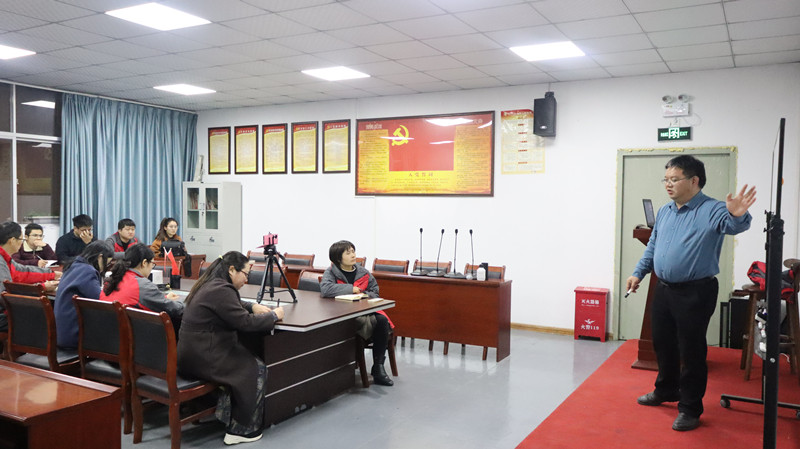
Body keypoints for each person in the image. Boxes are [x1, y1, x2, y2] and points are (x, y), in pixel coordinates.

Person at [626, 155, 756, 432]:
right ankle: (666, 389)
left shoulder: (713, 209)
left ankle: (690, 408)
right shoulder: (665, 211)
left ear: (694, 181)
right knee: (663, 343)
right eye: (666, 180)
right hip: (663, 288)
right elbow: (653, 247)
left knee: (691, 350)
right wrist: (638, 273)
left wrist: (738, 214)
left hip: (695, 291)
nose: (668, 184)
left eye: (674, 179)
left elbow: (735, 225)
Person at [177, 251, 284, 446]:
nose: (246, 279)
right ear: (232, 270)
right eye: (245, 274)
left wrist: (251, 306)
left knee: (244, 357)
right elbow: (245, 323)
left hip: (190, 354)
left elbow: (229, 304)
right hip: (205, 357)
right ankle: (241, 429)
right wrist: (274, 316)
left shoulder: (210, 283)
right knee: (256, 368)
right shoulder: (221, 289)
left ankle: (227, 414)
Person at [320, 240, 394, 386]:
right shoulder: (331, 272)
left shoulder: (363, 273)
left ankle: (378, 367)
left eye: (353, 251)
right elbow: (326, 289)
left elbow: (375, 292)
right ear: (338, 258)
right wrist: (351, 289)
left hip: (364, 311)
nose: (353, 255)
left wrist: (363, 295)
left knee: (382, 321)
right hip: (341, 314)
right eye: (348, 253)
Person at [99, 243, 184, 328]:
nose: (152, 267)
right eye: (152, 264)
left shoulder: (111, 280)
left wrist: (163, 298)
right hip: (134, 333)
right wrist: (187, 304)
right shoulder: (141, 285)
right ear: (144, 263)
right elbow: (174, 309)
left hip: (108, 330)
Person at [0, 221, 61, 331]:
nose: (21, 243)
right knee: (45, 317)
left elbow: (23, 271)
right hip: (2, 315)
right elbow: (5, 295)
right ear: (12, 241)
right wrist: (41, 287)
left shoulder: (5, 257)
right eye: (21, 239)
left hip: (5, 309)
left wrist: (51, 275)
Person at [53, 241, 114, 349]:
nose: (105, 268)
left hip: (61, 332)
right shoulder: (87, 271)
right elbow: (99, 300)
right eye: (107, 263)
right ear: (100, 257)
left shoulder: (73, 265)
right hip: (74, 335)